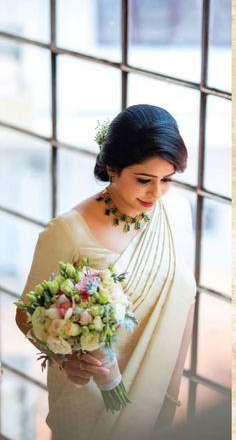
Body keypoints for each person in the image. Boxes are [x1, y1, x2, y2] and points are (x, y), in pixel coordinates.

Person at [15, 104, 196, 440]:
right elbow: (26, 315)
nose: (156, 193)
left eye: (167, 180)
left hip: (155, 403)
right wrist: (65, 358)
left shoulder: (177, 214)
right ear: (112, 168)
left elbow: (184, 303)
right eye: (143, 180)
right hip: (87, 403)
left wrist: (169, 398)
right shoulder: (67, 231)